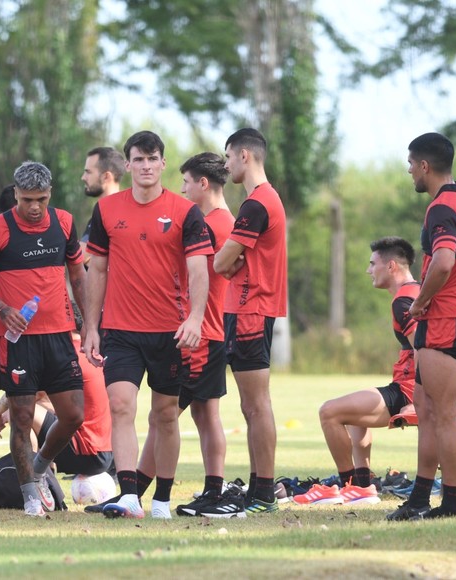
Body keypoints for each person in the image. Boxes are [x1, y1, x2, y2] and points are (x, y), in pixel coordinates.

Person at [82, 130, 212, 520]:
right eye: (138, 159)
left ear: (163, 164)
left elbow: (198, 269)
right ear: (127, 165)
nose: (145, 166)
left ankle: (161, 501)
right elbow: (97, 269)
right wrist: (91, 326)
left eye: (152, 159)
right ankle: (128, 495)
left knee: (165, 414)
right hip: (120, 331)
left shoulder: (186, 212)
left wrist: (195, 317)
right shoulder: (106, 211)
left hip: (169, 331)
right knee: (120, 405)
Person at [0, 161, 88, 517]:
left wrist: (90, 323)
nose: (34, 207)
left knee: (74, 415)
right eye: (27, 200)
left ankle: (39, 465)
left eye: (41, 199)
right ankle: (30, 497)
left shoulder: (64, 222)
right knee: (21, 418)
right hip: (17, 340)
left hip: (59, 336)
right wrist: (4, 310)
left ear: (50, 194)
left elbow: (78, 276)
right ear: (15, 195)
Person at [135, 152, 239, 517]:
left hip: (199, 335)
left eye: (185, 183)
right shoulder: (227, 221)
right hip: (212, 331)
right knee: (205, 414)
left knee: (162, 417)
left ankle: (133, 493)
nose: (180, 190)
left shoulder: (210, 225)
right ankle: (213, 490)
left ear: (203, 184)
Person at [387, 132, 456, 521]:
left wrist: (421, 302)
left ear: (425, 166)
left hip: (446, 318)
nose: (409, 171)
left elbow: (443, 262)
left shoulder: (442, 207)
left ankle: (454, 503)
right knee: (425, 409)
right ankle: (419, 499)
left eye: (411, 164)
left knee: (442, 413)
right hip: (455, 316)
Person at [299, 237, 419, 506]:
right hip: (409, 387)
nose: (368, 270)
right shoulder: (417, 291)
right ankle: (363, 485)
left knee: (329, 412)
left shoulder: (403, 301)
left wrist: (418, 400)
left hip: (409, 392)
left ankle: (348, 485)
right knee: (353, 413)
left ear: (390, 266)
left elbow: (424, 349)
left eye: (372, 264)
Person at [213, 128, 287, 514]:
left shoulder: (257, 204)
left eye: (227, 157)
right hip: (249, 310)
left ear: (244, 155)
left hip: (249, 311)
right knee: (250, 406)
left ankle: (262, 493)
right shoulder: (264, 200)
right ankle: (259, 487)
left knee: (256, 405)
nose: (225, 165)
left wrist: (228, 261)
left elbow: (220, 262)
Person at [0, 313, 113, 478]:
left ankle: (33, 478)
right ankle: (46, 473)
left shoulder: (66, 358)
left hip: (84, 451)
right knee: (38, 407)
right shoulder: (91, 354)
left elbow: (26, 394)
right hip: (103, 453)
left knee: (20, 412)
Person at [80, 147, 125, 265]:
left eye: (88, 172)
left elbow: (82, 255)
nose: (83, 177)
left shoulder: (113, 213)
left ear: (106, 177)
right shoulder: (103, 210)